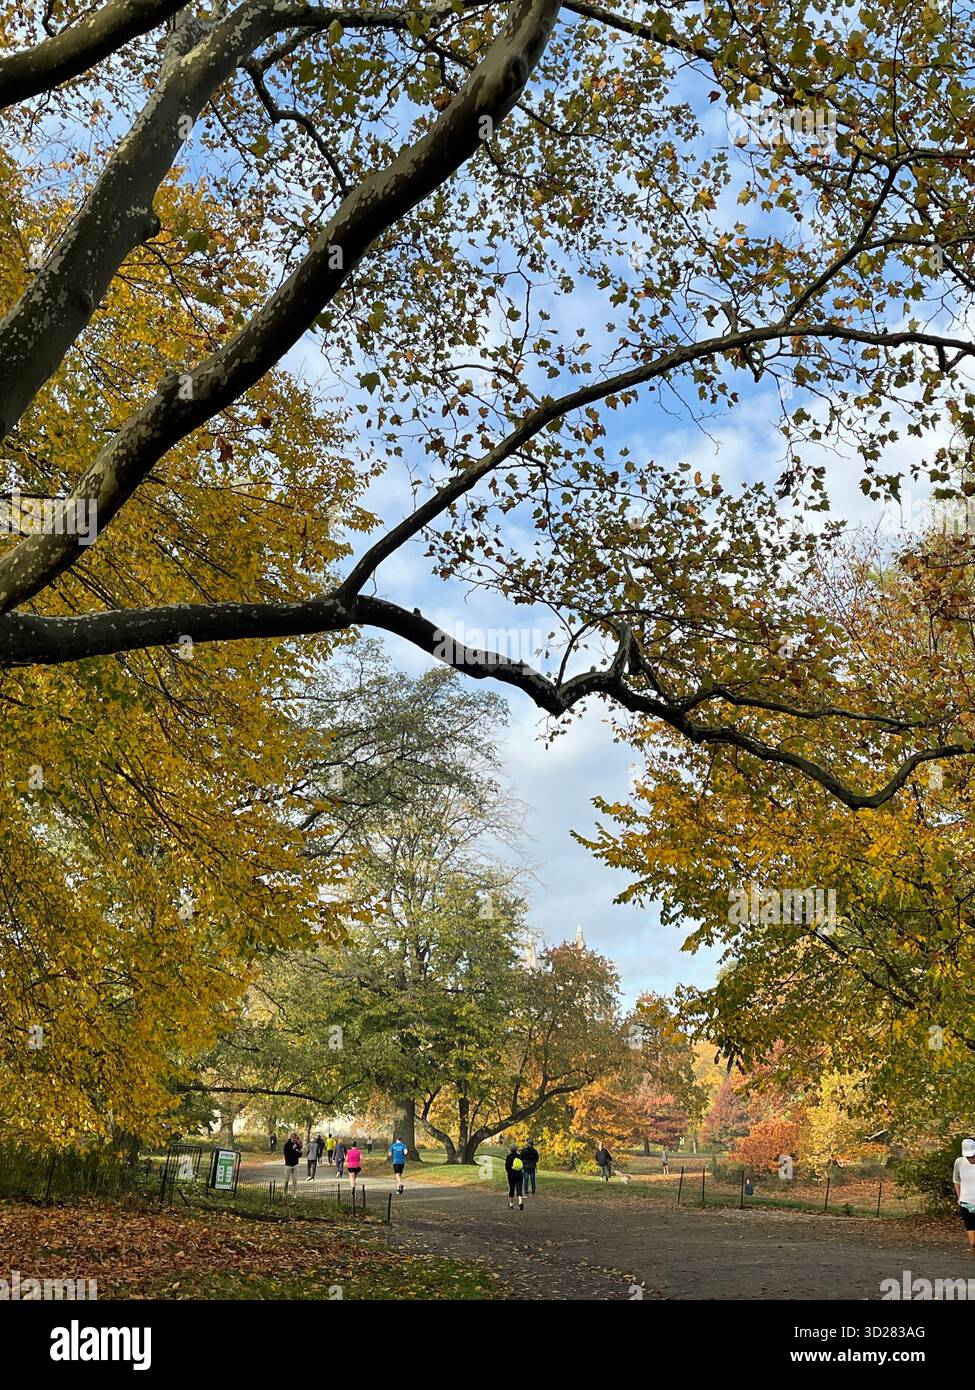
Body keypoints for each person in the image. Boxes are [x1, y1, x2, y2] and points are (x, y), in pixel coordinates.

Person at [953, 1137, 975, 1255]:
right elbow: (956, 1180)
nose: (971, 1159)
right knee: (973, 1243)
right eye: (968, 1157)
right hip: (966, 1204)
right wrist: (959, 1198)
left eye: (973, 1156)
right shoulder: (959, 1162)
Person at [505, 1143, 524, 1210]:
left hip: (511, 1175)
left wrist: (509, 1171)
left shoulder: (508, 1157)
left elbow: (507, 1167)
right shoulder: (519, 1156)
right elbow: (522, 1165)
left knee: (511, 1188)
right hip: (519, 1175)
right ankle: (520, 1202)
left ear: (510, 1150)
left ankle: (511, 1204)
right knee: (519, 1189)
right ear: (516, 1150)